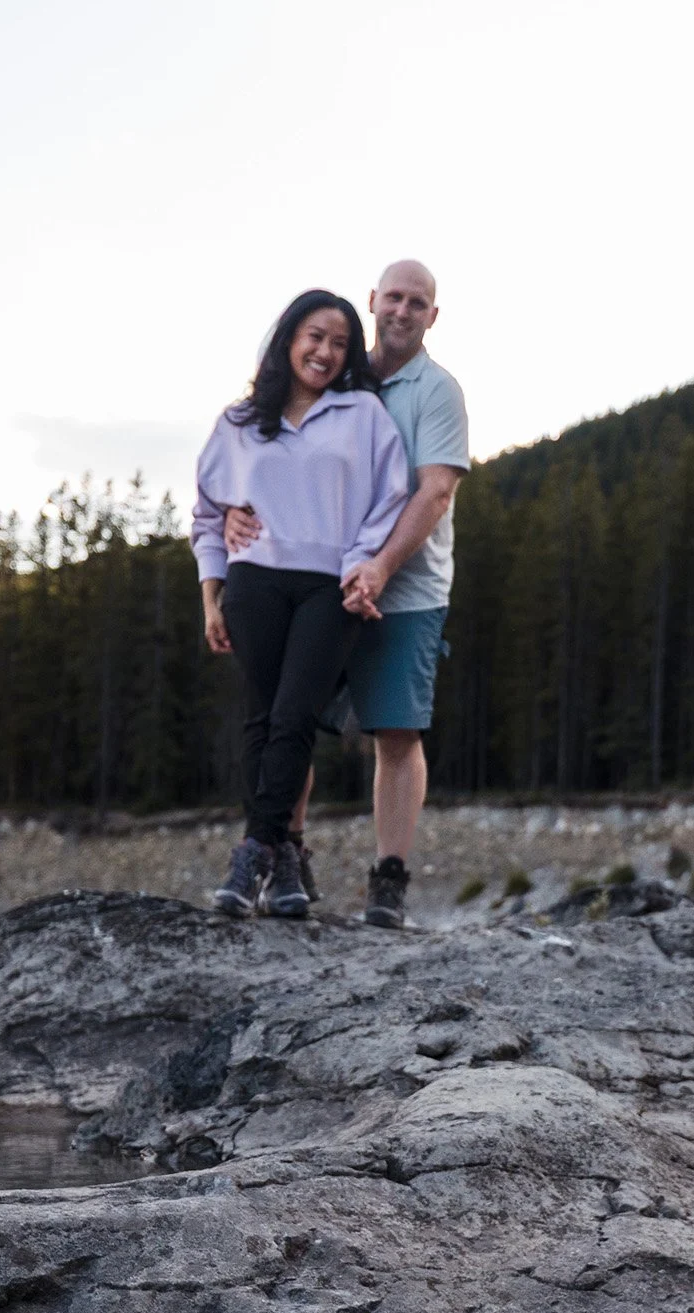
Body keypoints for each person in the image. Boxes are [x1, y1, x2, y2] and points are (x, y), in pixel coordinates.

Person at [227, 259, 468, 928]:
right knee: (292, 719)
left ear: (432, 316)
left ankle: (388, 878)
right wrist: (231, 510)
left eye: (417, 302)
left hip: (408, 590)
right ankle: (286, 854)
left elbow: (435, 491)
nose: (402, 310)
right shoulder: (332, 372)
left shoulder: (437, 392)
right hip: (314, 584)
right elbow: (264, 456)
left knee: (396, 730)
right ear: (373, 300)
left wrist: (383, 567)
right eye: (393, 296)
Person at [193, 289, 409, 919]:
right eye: (315, 336)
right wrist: (212, 599)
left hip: (329, 586)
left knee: (294, 716)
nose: (325, 351)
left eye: (341, 344)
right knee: (263, 719)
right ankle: (284, 866)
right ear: (288, 338)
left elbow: (388, 502)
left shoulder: (364, 415)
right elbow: (208, 516)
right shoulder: (237, 423)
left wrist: (360, 569)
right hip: (253, 582)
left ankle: (252, 852)